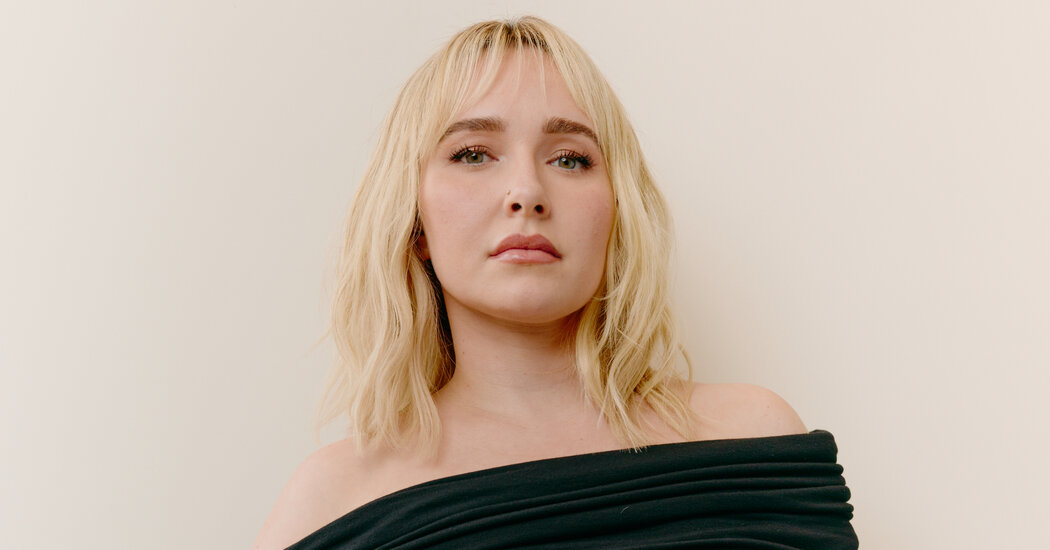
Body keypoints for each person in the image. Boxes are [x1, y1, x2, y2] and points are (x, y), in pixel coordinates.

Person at [253, 16, 857, 550]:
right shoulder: (334, 504)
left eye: (570, 158)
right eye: (472, 154)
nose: (526, 193)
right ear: (415, 223)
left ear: (617, 210)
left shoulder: (754, 440)